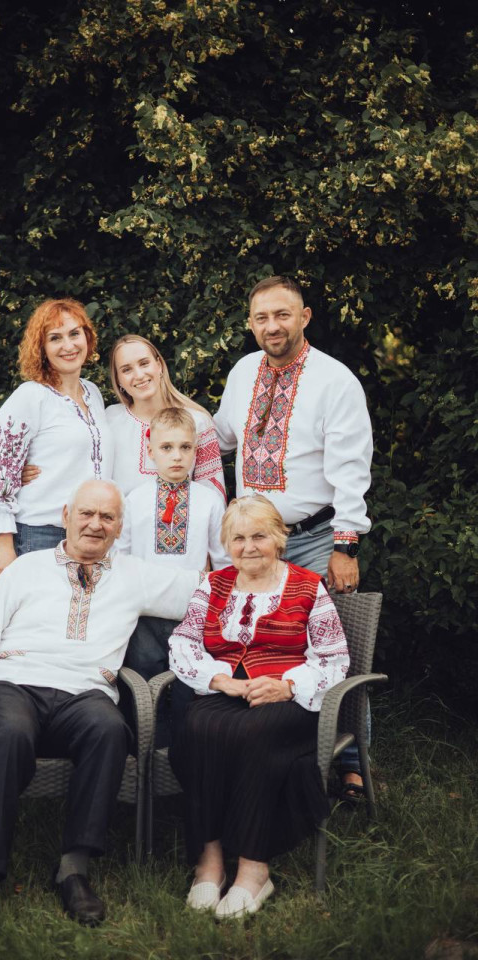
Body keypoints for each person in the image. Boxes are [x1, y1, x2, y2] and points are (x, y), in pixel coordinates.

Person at [0, 480, 201, 928]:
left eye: (107, 517)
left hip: (86, 693)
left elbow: (214, 589)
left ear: (119, 527)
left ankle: (74, 869)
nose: (95, 524)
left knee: (109, 729)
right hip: (12, 683)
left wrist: (289, 579)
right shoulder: (27, 568)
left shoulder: (135, 575)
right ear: (66, 516)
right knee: (9, 733)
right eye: (86, 513)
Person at [212, 275, 372, 798]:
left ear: (304, 317)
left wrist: (345, 546)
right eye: (262, 317)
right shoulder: (243, 372)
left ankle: (350, 763)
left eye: (282, 315)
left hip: (313, 537)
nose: (272, 326)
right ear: (250, 323)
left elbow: (351, 471)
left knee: (334, 646)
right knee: (254, 642)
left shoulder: (335, 381)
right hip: (250, 542)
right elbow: (219, 437)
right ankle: (271, 752)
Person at [168, 495, 349, 919]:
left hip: (291, 700)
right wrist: (219, 680)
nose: (248, 547)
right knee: (196, 726)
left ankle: (254, 868)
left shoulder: (308, 586)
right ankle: (210, 860)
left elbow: (334, 658)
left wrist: (288, 686)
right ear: (227, 544)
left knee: (253, 733)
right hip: (229, 691)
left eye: (259, 537)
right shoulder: (212, 586)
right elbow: (183, 643)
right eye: (238, 538)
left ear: (279, 539)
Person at [0, 298, 113, 581]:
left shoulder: (93, 393)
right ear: (41, 348)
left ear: (87, 338)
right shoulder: (30, 396)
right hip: (41, 534)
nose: (68, 345)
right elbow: (1, 477)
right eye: (55, 338)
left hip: (90, 534)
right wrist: (4, 549)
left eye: (74, 334)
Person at [117, 407, 229, 739]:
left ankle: (182, 754)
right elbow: (120, 559)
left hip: (191, 614)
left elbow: (223, 562)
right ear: (150, 451)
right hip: (144, 616)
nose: (177, 456)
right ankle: (144, 751)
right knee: (143, 686)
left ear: (195, 450)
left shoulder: (210, 501)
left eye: (185, 447)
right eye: (167, 447)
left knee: (187, 688)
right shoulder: (134, 500)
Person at [106, 334, 226, 500]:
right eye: (126, 370)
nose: (139, 375)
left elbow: (213, 495)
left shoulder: (198, 421)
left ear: (159, 365)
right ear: (118, 379)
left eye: (144, 363)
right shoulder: (110, 419)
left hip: (185, 516)